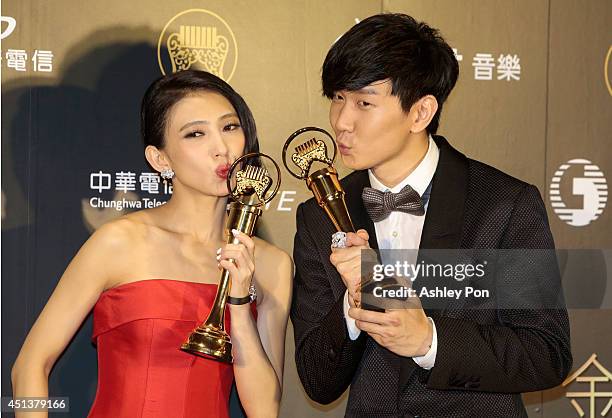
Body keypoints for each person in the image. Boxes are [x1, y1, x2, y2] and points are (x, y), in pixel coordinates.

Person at [291, 13, 572, 418]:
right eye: (337, 98)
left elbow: (546, 353)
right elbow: (318, 381)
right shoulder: (320, 215)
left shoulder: (505, 204)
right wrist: (353, 308)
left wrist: (429, 340)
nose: (341, 121)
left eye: (364, 103)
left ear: (420, 113)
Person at [12, 69, 293, 418]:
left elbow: (264, 409)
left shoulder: (271, 264)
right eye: (195, 134)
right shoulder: (119, 243)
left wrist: (238, 303)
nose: (221, 148)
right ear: (160, 159)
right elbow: (29, 365)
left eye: (229, 127)